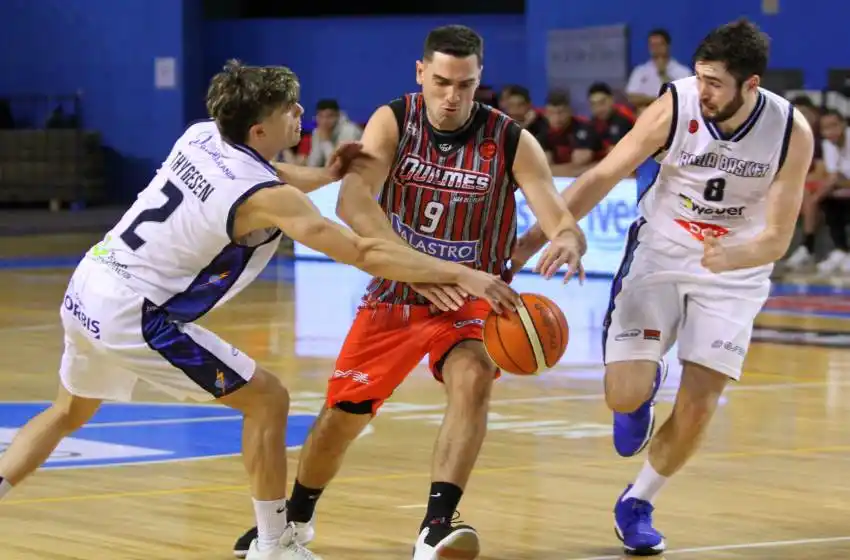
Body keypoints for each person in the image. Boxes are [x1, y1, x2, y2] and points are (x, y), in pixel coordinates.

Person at [0, 60, 520, 560]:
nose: (300, 114)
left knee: (70, 410)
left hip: (89, 285)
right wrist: (457, 272)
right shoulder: (264, 196)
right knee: (269, 401)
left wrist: (325, 174)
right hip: (137, 314)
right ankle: (275, 545)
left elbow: (270, 170)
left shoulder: (202, 135)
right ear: (258, 127)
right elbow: (363, 252)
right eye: (289, 109)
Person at [233, 25, 586, 560]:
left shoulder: (511, 139)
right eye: (441, 82)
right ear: (421, 73)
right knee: (341, 417)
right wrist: (425, 271)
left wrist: (568, 238)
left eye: (464, 85)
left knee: (474, 375)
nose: (452, 97)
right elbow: (354, 206)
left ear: (479, 80)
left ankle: (438, 524)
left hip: (473, 296)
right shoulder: (394, 120)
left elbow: (557, 215)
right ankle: (296, 519)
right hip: (399, 288)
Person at [512, 19, 813, 556]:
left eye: (715, 82)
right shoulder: (677, 105)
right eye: (699, 77)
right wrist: (538, 238)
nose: (704, 90)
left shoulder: (791, 132)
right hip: (661, 250)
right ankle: (637, 398)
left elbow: (777, 238)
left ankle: (639, 502)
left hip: (735, 270)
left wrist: (735, 255)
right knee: (623, 392)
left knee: (700, 406)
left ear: (751, 84)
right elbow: (605, 174)